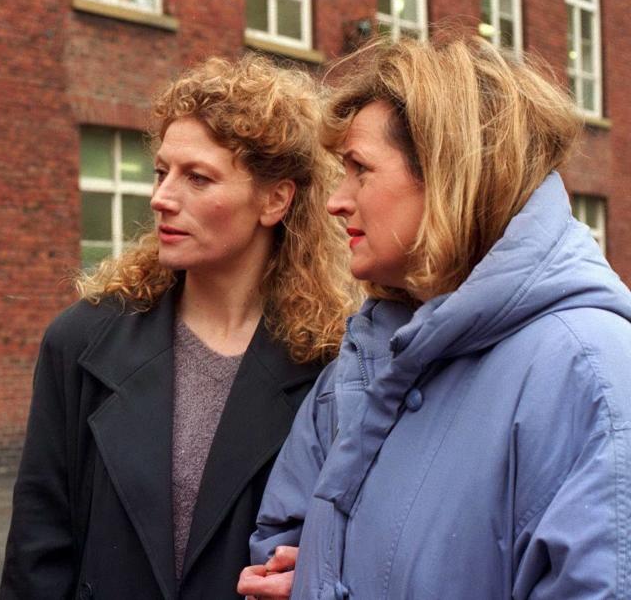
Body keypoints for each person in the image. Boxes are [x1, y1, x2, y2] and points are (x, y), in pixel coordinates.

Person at [239, 33, 631, 600]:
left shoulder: (591, 373)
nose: (335, 200)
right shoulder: (369, 354)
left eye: (360, 169)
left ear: (449, 175)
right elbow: (283, 540)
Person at [0, 55, 355, 599]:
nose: (161, 198)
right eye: (162, 171)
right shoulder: (82, 342)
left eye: (197, 178)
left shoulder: (333, 365)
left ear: (275, 199)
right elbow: (37, 553)